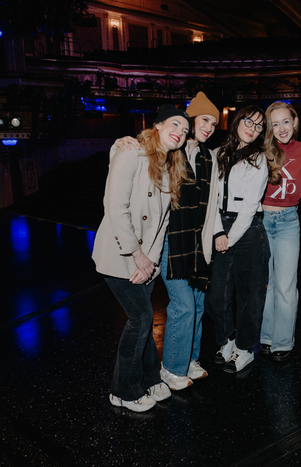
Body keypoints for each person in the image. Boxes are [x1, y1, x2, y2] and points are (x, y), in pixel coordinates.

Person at [115, 92, 221, 391]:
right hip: (172, 243)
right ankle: (171, 368)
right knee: (184, 306)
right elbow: (140, 150)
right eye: (203, 120)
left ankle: (188, 359)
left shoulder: (209, 157)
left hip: (198, 244)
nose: (209, 127)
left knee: (198, 306)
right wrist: (119, 142)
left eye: (214, 122)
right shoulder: (174, 149)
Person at [92, 105, 190, 412]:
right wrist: (137, 256)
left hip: (145, 259)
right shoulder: (131, 152)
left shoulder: (168, 164)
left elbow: (161, 225)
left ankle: (149, 379)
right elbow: (115, 206)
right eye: (176, 124)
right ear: (157, 125)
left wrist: (151, 263)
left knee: (145, 316)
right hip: (121, 254)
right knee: (141, 318)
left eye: (185, 131)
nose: (181, 132)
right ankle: (123, 390)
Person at [208, 106, 273, 374]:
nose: (252, 128)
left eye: (259, 126)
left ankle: (245, 349)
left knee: (250, 296)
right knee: (217, 296)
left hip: (248, 230)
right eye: (249, 121)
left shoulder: (259, 159)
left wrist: (229, 237)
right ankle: (226, 341)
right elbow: (210, 198)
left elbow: (249, 206)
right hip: (220, 227)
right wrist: (216, 232)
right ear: (237, 121)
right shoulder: (217, 153)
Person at [260, 101, 301, 362]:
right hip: (261, 220)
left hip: (288, 220)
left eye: (286, 122)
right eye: (274, 123)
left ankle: (282, 341)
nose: (281, 128)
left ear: (295, 122)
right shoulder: (261, 150)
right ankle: (266, 336)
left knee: (286, 285)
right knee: (266, 284)